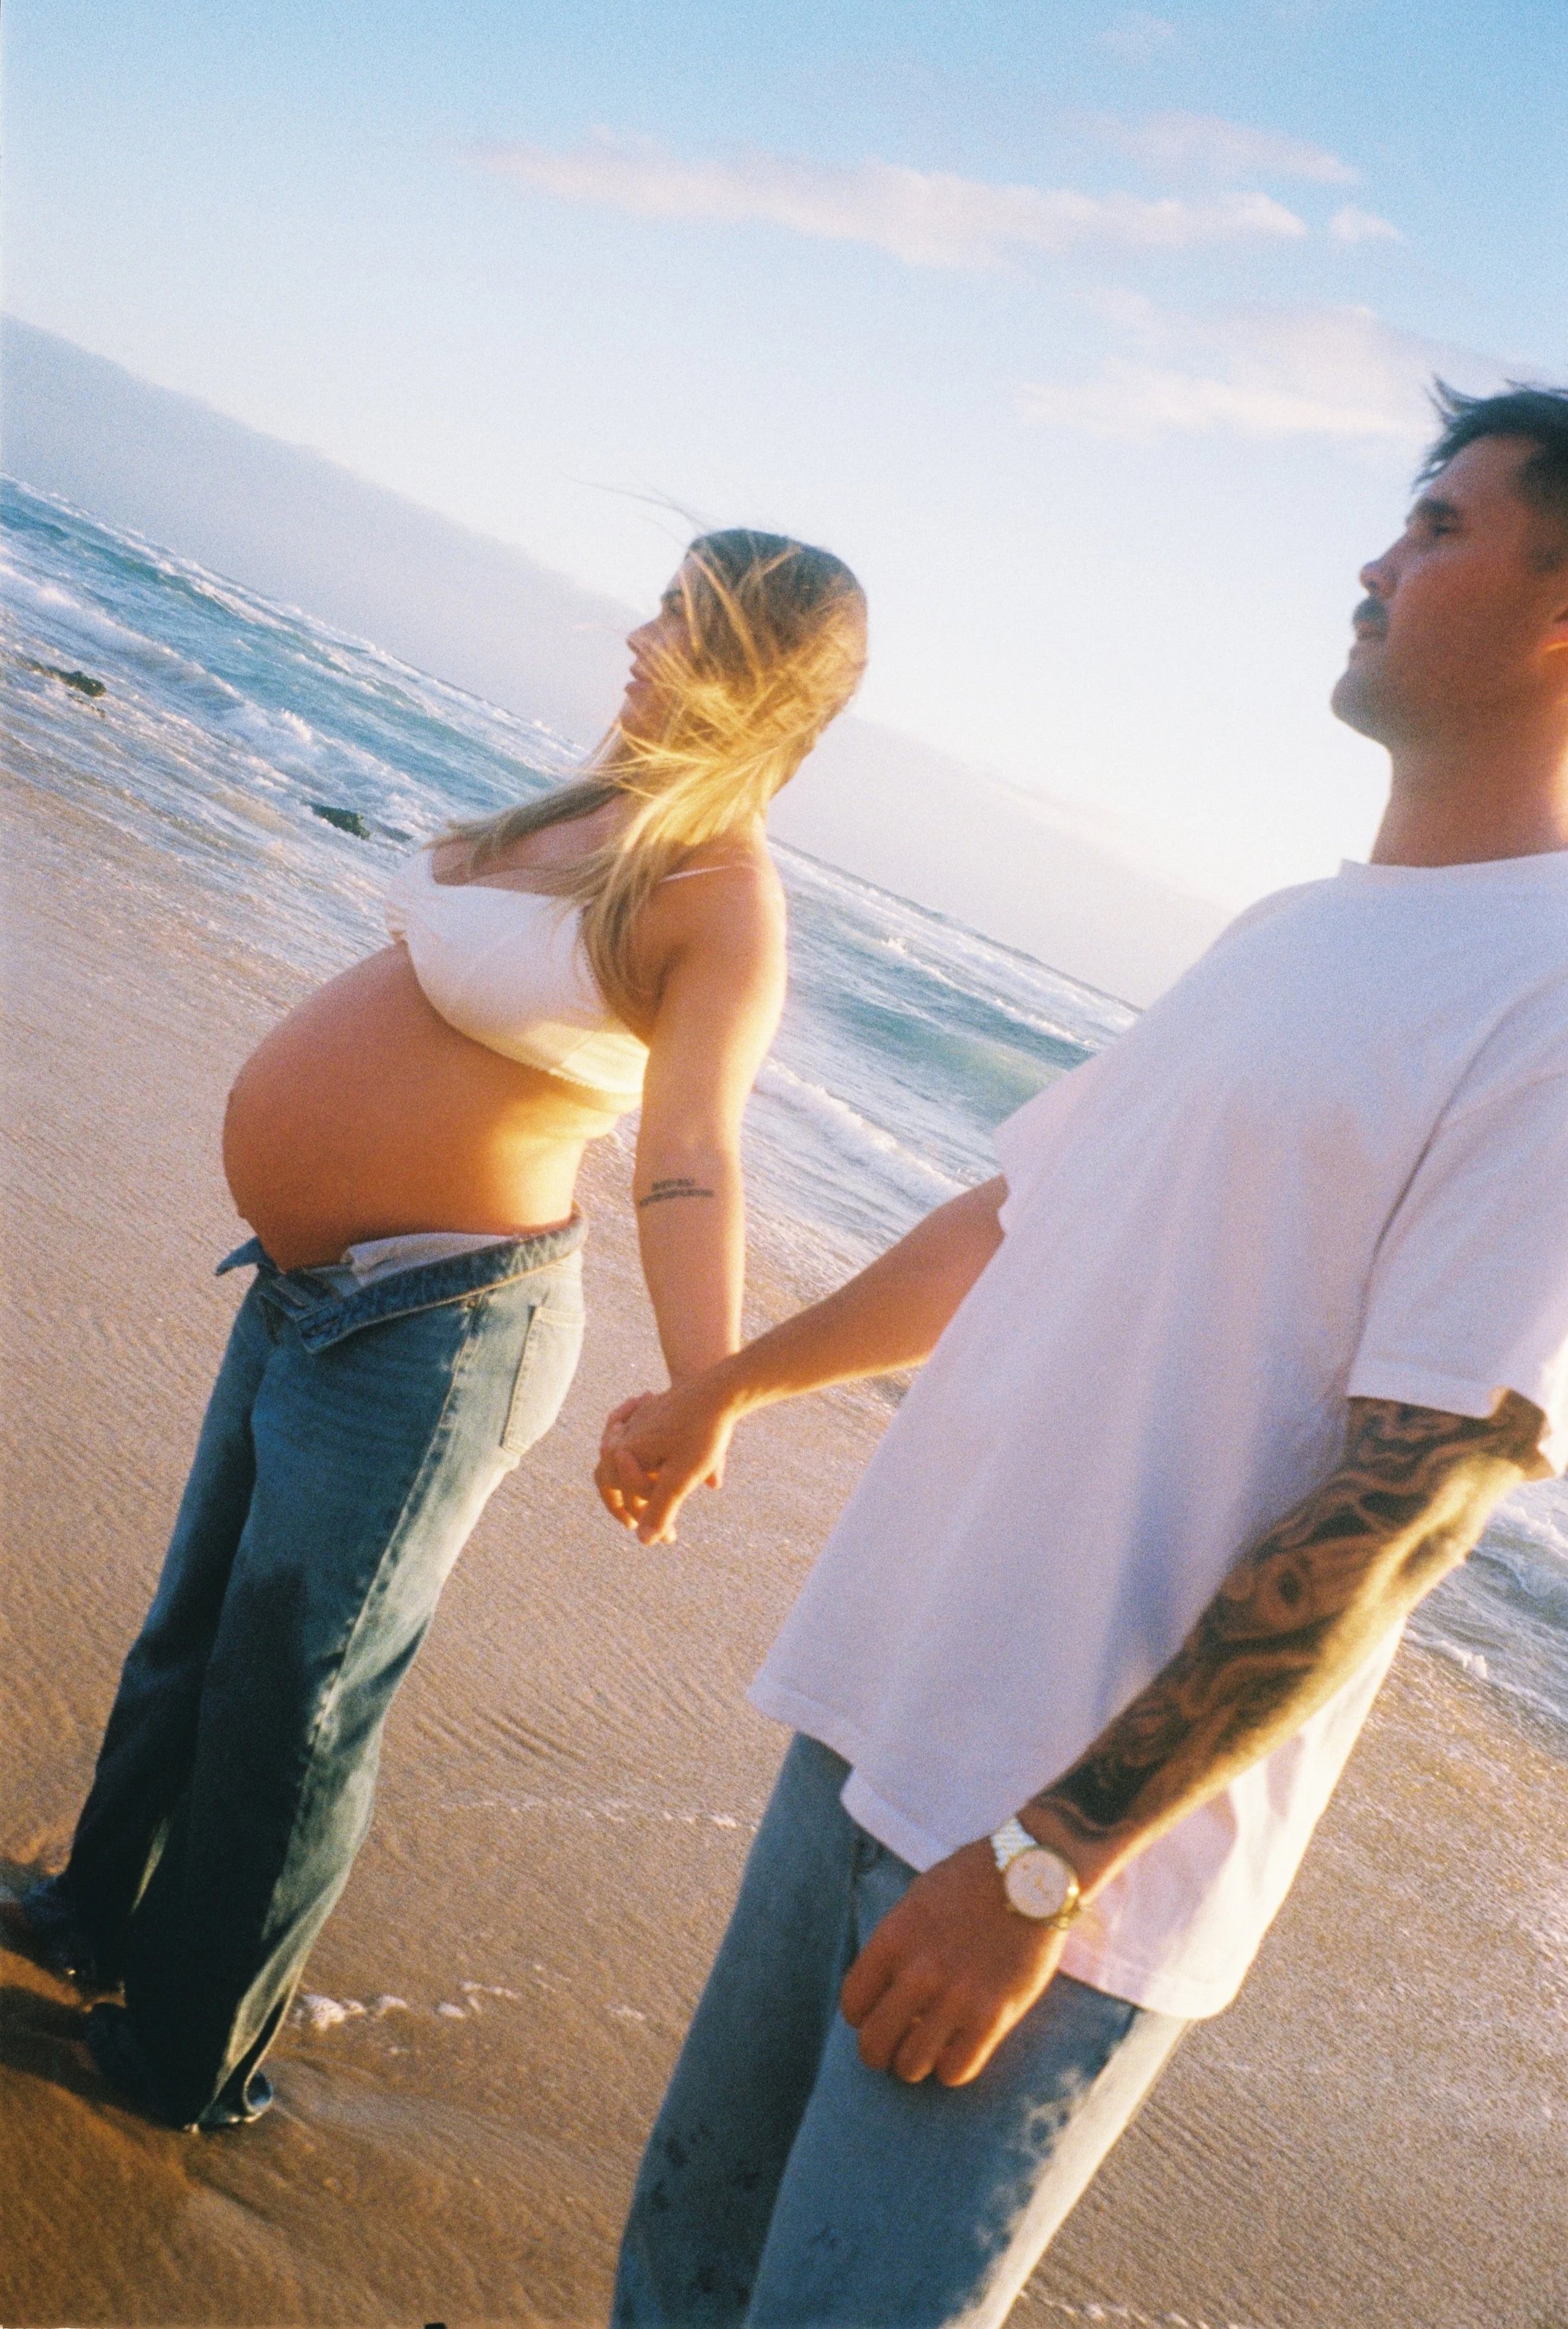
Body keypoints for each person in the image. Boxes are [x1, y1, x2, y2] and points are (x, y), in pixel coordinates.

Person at [595, 385, 1568, 2328]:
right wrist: (729, 1381)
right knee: (676, 2285)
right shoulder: (1296, 926)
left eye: (1439, 529)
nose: (1376, 566)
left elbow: (1420, 1485)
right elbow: (1010, 1222)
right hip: (877, 1715)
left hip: (1050, 1863)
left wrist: (1048, 1863)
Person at [10, 529, 867, 2133]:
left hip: (436, 1329)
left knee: (298, 1701)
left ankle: (192, 2055)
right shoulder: (585, 817)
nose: (639, 632)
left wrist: (709, 1388)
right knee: (193, 1627)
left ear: (750, 674)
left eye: (681, 618)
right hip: (304, 1289)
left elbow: (690, 1153)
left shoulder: (720, 898)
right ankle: (92, 1913)